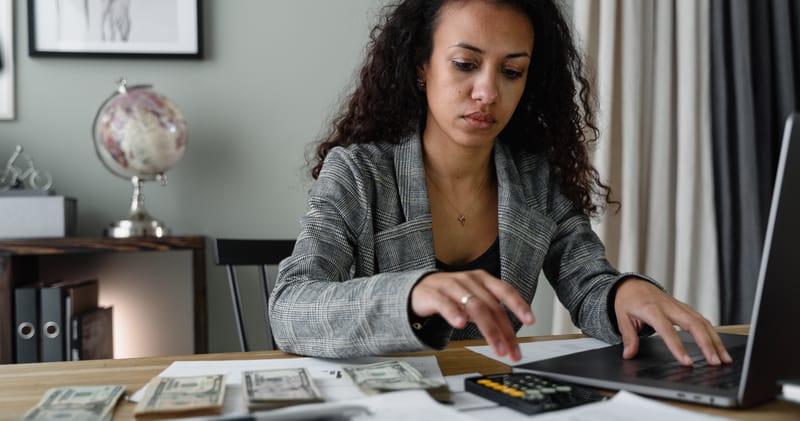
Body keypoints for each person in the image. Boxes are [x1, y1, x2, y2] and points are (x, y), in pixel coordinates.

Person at [269, 0, 732, 367]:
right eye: (465, 64)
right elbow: (290, 308)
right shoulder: (357, 173)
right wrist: (411, 293)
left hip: (492, 399)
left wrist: (622, 294)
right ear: (421, 66)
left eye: (511, 71)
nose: (488, 92)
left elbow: (588, 284)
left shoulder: (535, 181)